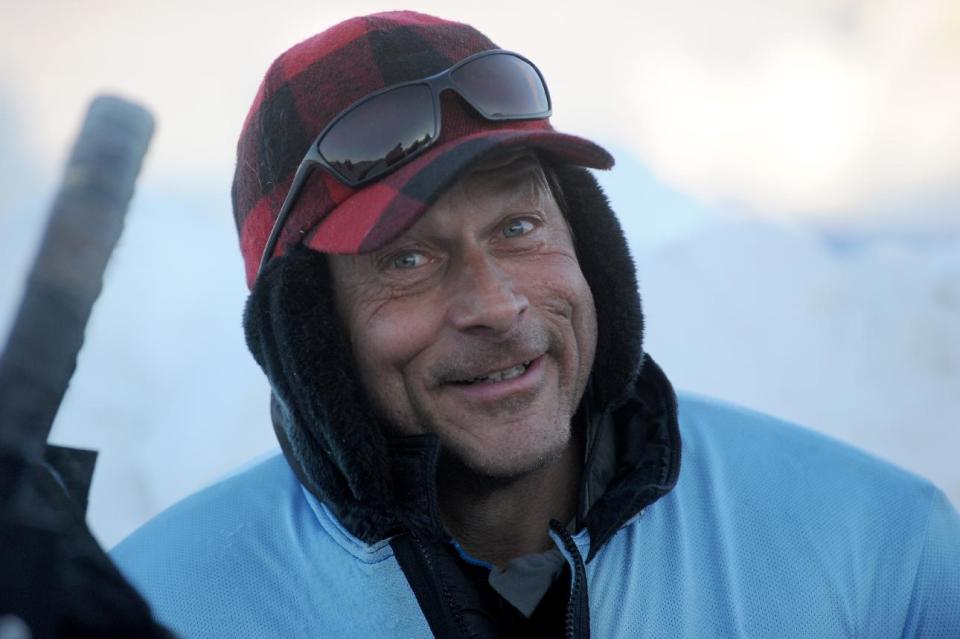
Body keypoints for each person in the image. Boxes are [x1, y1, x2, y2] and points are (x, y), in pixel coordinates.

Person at [112, 11, 960, 638]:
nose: (495, 304)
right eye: (406, 259)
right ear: (308, 335)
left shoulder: (876, 547)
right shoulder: (153, 611)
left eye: (518, 228)